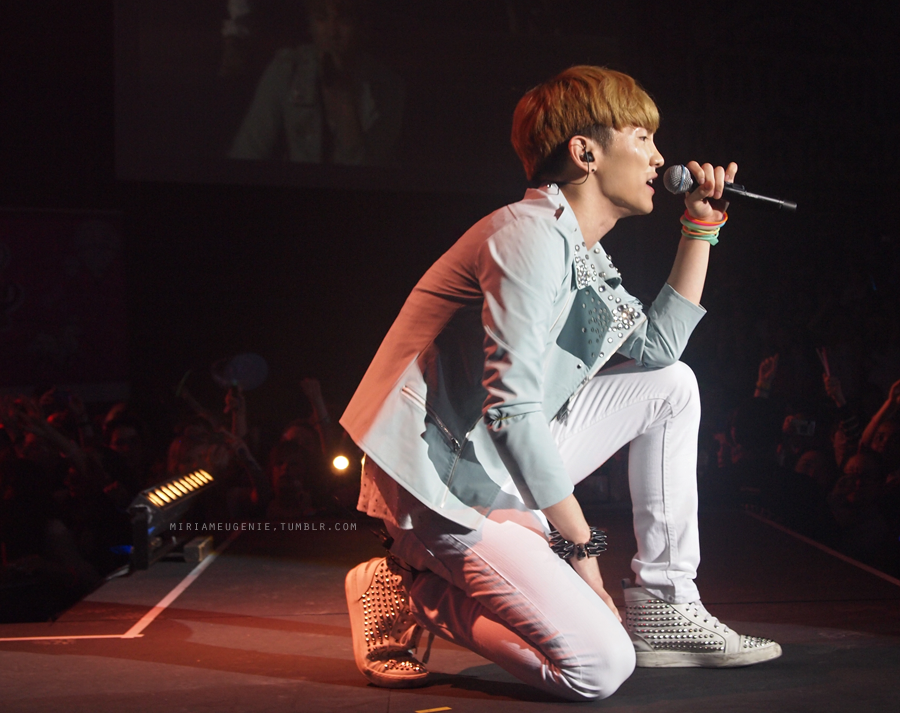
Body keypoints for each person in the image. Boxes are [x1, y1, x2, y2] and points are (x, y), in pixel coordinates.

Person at [340, 66, 781, 701]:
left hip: (494, 463)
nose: (660, 158)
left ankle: (666, 603)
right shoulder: (526, 236)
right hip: (440, 482)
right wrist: (584, 556)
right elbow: (512, 413)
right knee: (599, 667)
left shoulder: (581, 250)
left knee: (673, 385)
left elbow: (656, 350)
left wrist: (700, 228)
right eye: (642, 138)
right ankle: (419, 592)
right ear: (585, 152)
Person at [228, 0, 403, 165]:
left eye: (344, 21)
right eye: (321, 19)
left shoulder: (386, 87)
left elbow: (369, 174)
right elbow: (247, 153)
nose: (332, 33)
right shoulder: (288, 69)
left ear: (361, 26)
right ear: (310, 26)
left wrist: (345, 99)